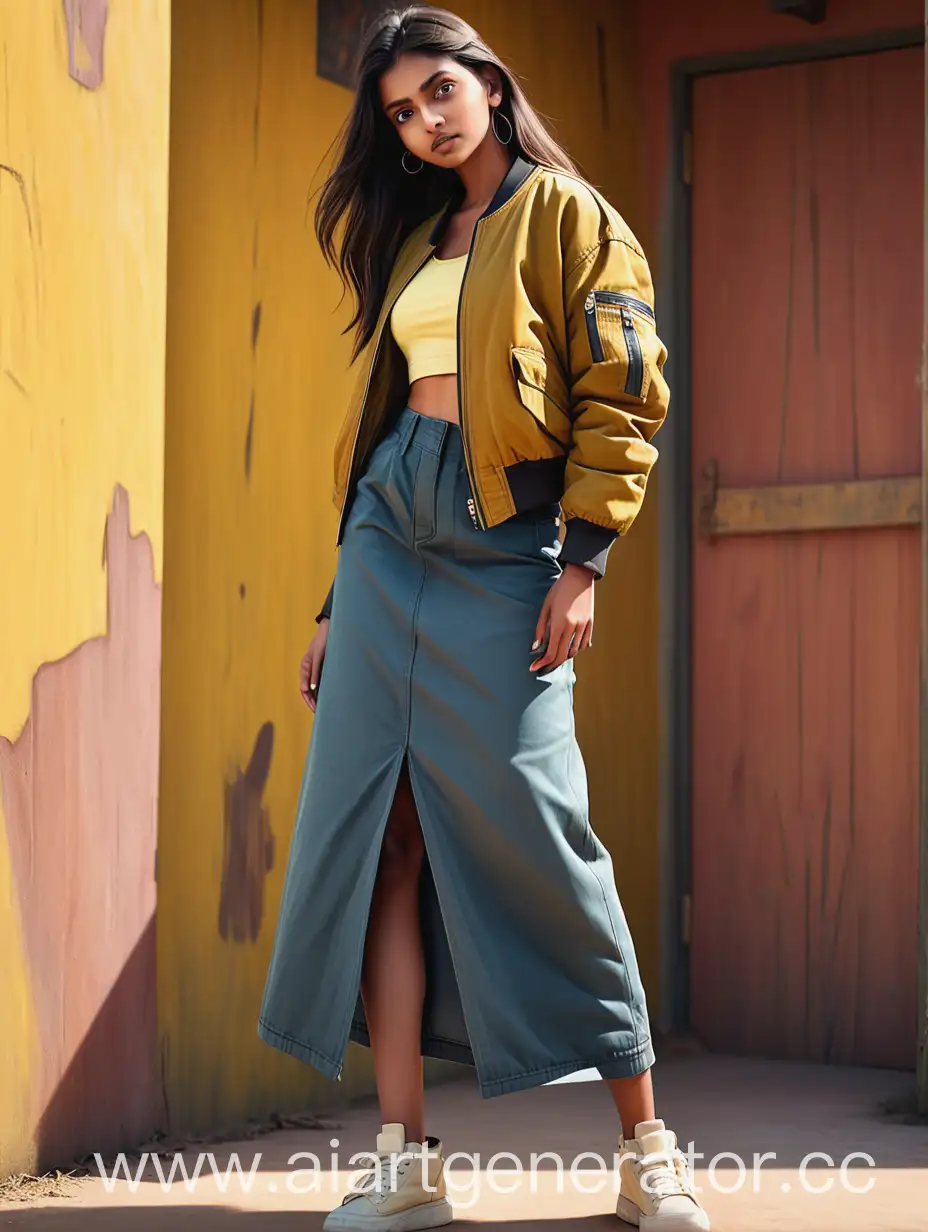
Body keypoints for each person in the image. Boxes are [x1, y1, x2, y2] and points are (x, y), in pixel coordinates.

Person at [258, 7, 708, 1231]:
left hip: (509, 544)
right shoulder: (414, 239)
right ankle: (405, 1158)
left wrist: (587, 560)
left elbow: (625, 388)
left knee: (544, 825)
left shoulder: (570, 215)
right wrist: (333, 597)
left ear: (491, 85)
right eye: (401, 110)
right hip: (386, 545)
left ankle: (647, 1146)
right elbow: (382, 422)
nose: (425, 118)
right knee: (379, 838)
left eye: (440, 89)